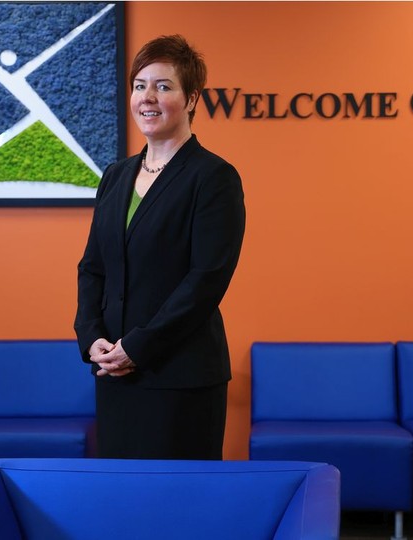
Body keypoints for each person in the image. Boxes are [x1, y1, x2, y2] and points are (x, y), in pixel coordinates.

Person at [74, 35, 246, 460]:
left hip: (179, 377)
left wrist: (140, 347)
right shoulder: (116, 176)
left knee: (179, 515)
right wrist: (91, 335)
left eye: (163, 86)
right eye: (139, 85)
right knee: (125, 512)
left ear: (191, 99)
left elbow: (205, 281)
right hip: (115, 373)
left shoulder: (214, 177)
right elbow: (94, 267)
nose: (147, 98)